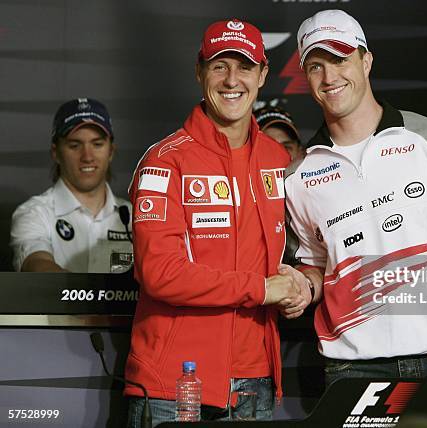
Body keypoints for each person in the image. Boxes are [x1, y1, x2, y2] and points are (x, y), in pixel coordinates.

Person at [283, 10, 427, 420]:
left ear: (366, 61)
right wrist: (303, 284)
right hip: (354, 368)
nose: (329, 77)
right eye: (315, 66)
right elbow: (316, 264)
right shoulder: (299, 175)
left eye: (340, 59)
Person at [124, 18, 304, 426]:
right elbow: (161, 273)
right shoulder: (165, 161)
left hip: (256, 380)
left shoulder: (278, 161)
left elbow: (301, 249)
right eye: (220, 65)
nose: (231, 80)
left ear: (262, 76)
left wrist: (299, 284)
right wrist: (260, 288)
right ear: (199, 71)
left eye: (243, 66)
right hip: (176, 384)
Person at [9, 98, 132, 273]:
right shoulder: (34, 213)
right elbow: (36, 265)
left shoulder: (135, 218)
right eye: (75, 145)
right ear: (55, 153)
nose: (87, 156)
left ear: (111, 151)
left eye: (97, 144)